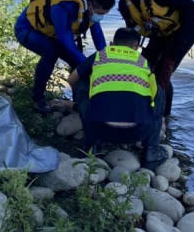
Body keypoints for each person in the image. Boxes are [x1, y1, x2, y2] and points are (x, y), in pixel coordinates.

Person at [105, 0, 194, 118]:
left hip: (183, 31)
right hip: (159, 34)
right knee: (143, 68)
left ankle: (164, 119)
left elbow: (192, 8)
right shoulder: (124, 5)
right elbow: (131, 34)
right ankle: (143, 108)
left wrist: (176, 45)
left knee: (163, 73)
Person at [68, 27, 168, 167]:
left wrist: (80, 103)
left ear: (112, 44)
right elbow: (156, 98)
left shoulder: (100, 56)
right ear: (136, 47)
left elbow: (72, 79)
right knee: (157, 89)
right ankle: (151, 150)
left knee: (82, 81)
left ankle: (91, 146)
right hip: (139, 132)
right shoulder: (142, 62)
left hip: (99, 129)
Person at [14, 0, 115, 113]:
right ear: (90, 5)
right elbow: (65, 41)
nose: (100, 17)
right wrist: (90, 66)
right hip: (27, 29)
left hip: (54, 33)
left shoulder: (90, 9)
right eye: (100, 13)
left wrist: (105, 60)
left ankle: (79, 102)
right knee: (52, 51)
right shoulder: (63, 7)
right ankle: (38, 99)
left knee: (77, 62)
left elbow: (97, 35)